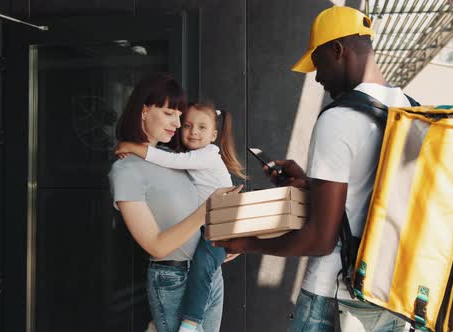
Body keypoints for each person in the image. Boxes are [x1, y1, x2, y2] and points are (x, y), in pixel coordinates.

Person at [214, 6, 412, 332]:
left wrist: (249, 243)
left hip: (335, 295)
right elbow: (371, 194)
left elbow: (320, 240)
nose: (317, 78)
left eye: (318, 64)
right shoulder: (408, 107)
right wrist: (308, 184)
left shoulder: (338, 118)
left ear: (338, 50)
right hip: (389, 292)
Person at [108, 73, 240, 332]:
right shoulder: (125, 170)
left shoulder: (178, 157)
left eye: (180, 115)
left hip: (209, 274)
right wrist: (208, 210)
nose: (178, 124)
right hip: (173, 278)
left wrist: (228, 242)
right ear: (144, 111)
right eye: (170, 113)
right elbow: (157, 246)